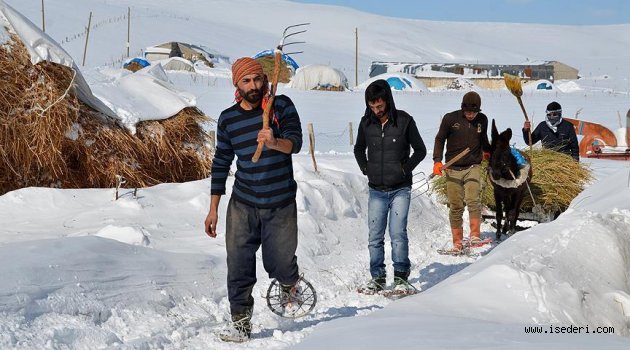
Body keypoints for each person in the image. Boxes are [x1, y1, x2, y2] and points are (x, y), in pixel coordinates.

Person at [204, 57, 304, 342]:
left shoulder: (280, 106)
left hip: (280, 203)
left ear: (265, 79)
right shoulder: (228, 119)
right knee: (238, 265)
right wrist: (213, 209)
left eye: (258, 79)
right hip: (243, 203)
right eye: (246, 81)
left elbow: (295, 143)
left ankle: (289, 281)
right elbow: (221, 162)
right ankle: (241, 324)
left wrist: (274, 141)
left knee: (280, 265)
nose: (253, 86)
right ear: (236, 83)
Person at [354, 79, 427, 293]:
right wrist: (366, 168)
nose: (376, 110)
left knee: (397, 233)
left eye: (379, 106)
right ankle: (377, 277)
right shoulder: (366, 123)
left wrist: (405, 169)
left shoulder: (404, 121)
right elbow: (358, 149)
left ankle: (401, 277)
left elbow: (420, 150)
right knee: (375, 236)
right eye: (372, 106)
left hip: (400, 189)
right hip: (376, 189)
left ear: (388, 100)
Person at [433, 91, 491, 255]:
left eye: (474, 112)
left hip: (473, 165)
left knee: (473, 199)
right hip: (453, 168)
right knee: (456, 206)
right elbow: (439, 139)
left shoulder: (482, 120)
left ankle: (475, 236)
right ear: (462, 109)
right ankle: (457, 241)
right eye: (468, 112)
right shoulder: (450, 119)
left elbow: (483, 138)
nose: (471, 115)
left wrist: (487, 151)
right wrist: (437, 160)